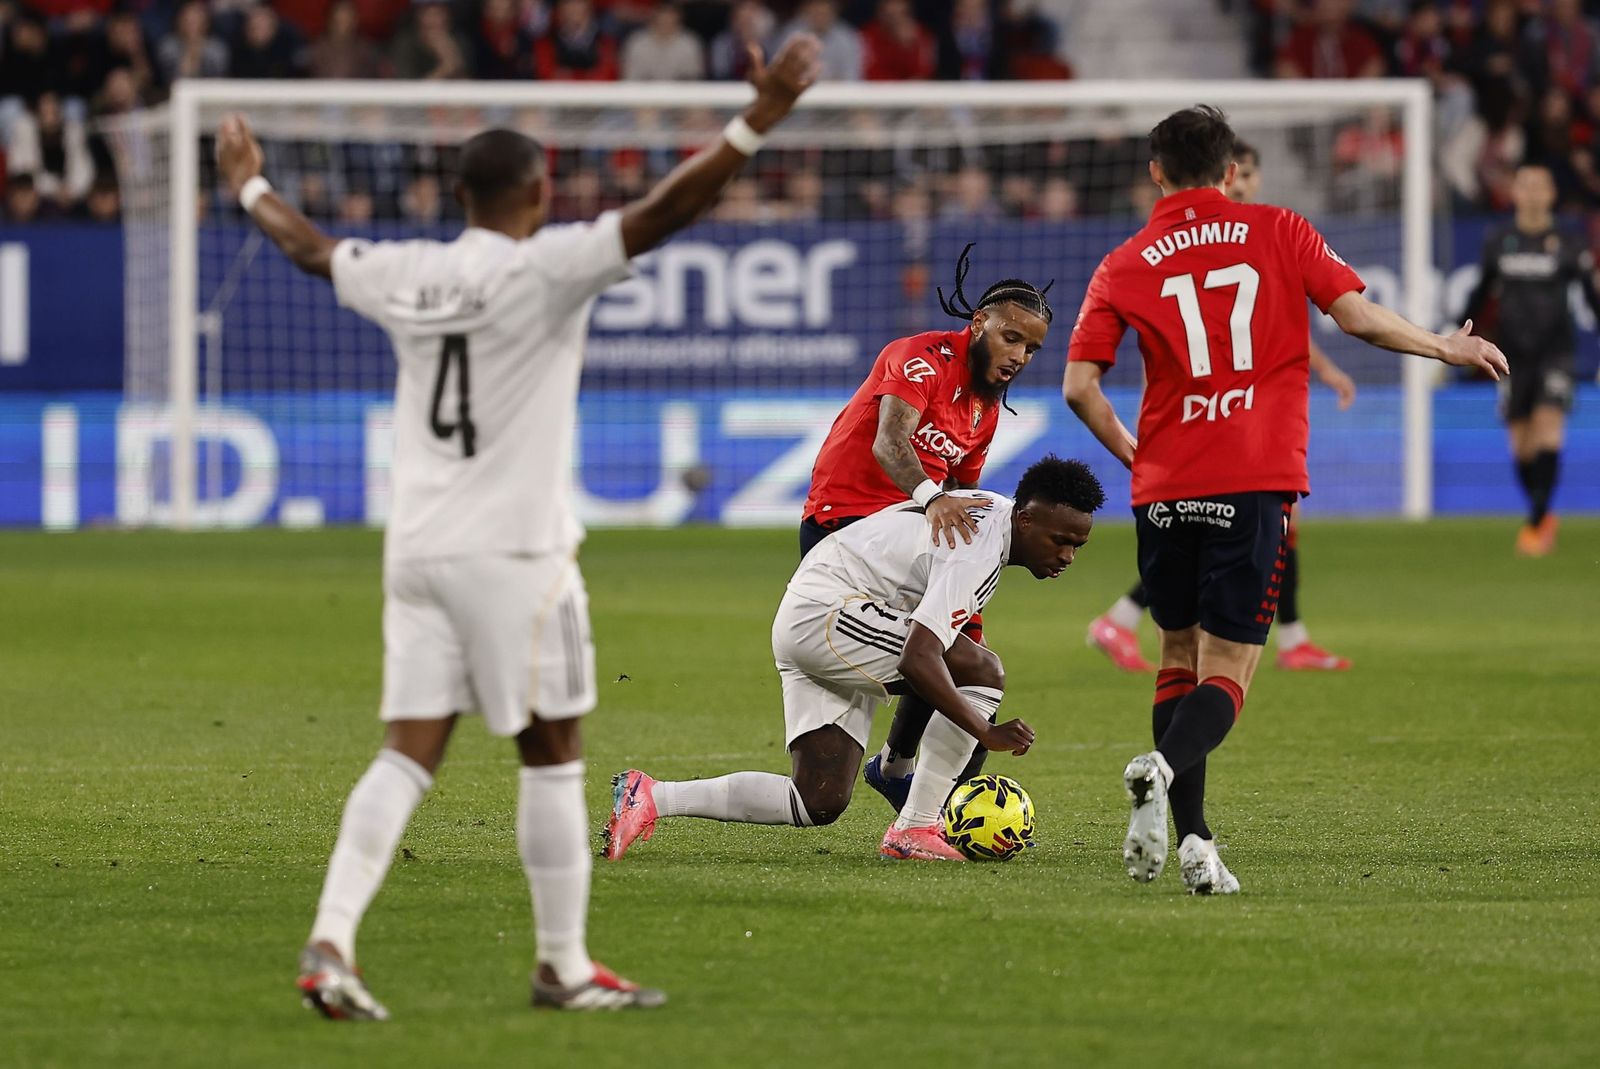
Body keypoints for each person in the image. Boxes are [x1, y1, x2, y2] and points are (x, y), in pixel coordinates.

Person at [213, 34, 822, 1019]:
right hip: (517, 558)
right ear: (537, 198)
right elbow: (667, 210)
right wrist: (759, 119)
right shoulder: (545, 268)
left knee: (407, 751)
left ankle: (332, 936)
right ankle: (562, 964)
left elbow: (309, 248)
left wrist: (247, 185)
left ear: (459, 200)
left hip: (415, 551)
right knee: (552, 754)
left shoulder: (406, 268)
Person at [1063, 105, 1507, 895]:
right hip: (1252, 478)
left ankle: (1196, 842)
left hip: (1164, 487)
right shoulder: (1280, 229)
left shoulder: (1124, 261)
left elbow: (1078, 388)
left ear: (1156, 172)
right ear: (1230, 169)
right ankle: (1161, 772)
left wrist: (1140, 455)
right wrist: (1446, 343)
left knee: (1175, 657)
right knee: (1228, 671)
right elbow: (1356, 316)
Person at [602, 456, 1103, 863]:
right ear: (1026, 518)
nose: (1066, 556)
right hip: (829, 614)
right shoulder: (980, 548)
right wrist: (985, 730)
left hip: (822, 614)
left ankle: (651, 796)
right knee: (981, 670)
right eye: (1060, 540)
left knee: (816, 799)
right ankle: (914, 826)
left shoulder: (993, 513)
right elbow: (919, 659)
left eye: (1077, 546)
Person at [1086, 139, 1360, 674]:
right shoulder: (1205, 238)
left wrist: (1324, 370)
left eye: (1254, 174)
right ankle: (1136, 625)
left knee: (1246, 528)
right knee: (1234, 530)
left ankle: (1283, 637)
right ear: (1220, 174)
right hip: (1215, 417)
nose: (1248, 184)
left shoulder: (1238, 236)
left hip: (1234, 415)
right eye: (1243, 173)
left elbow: (1260, 326)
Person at [795, 244, 1051, 812]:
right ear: (979, 322)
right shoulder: (919, 358)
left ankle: (897, 767)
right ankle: (908, 784)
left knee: (965, 649)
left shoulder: (986, 410)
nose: (1020, 355)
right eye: (1012, 338)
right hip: (847, 523)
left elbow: (967, 494)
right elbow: (891, 441)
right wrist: (931, 499)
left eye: (1032, 348)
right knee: (946, 659)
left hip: (914, 532)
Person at [1460, 163, 1600, 557]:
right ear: (1515, 193)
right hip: (1511, 355)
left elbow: (1592, 299)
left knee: (1547, 427)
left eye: (1542, 186)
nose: (1534, 193)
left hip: (1556, 352)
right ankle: (1542, 513)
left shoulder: (1569, 243)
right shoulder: (1499, 239)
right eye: (1527, 186)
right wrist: (1454, 337)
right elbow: (1481, 293)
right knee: (1521, 447)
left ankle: (1536, 524)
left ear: (1552, 194)